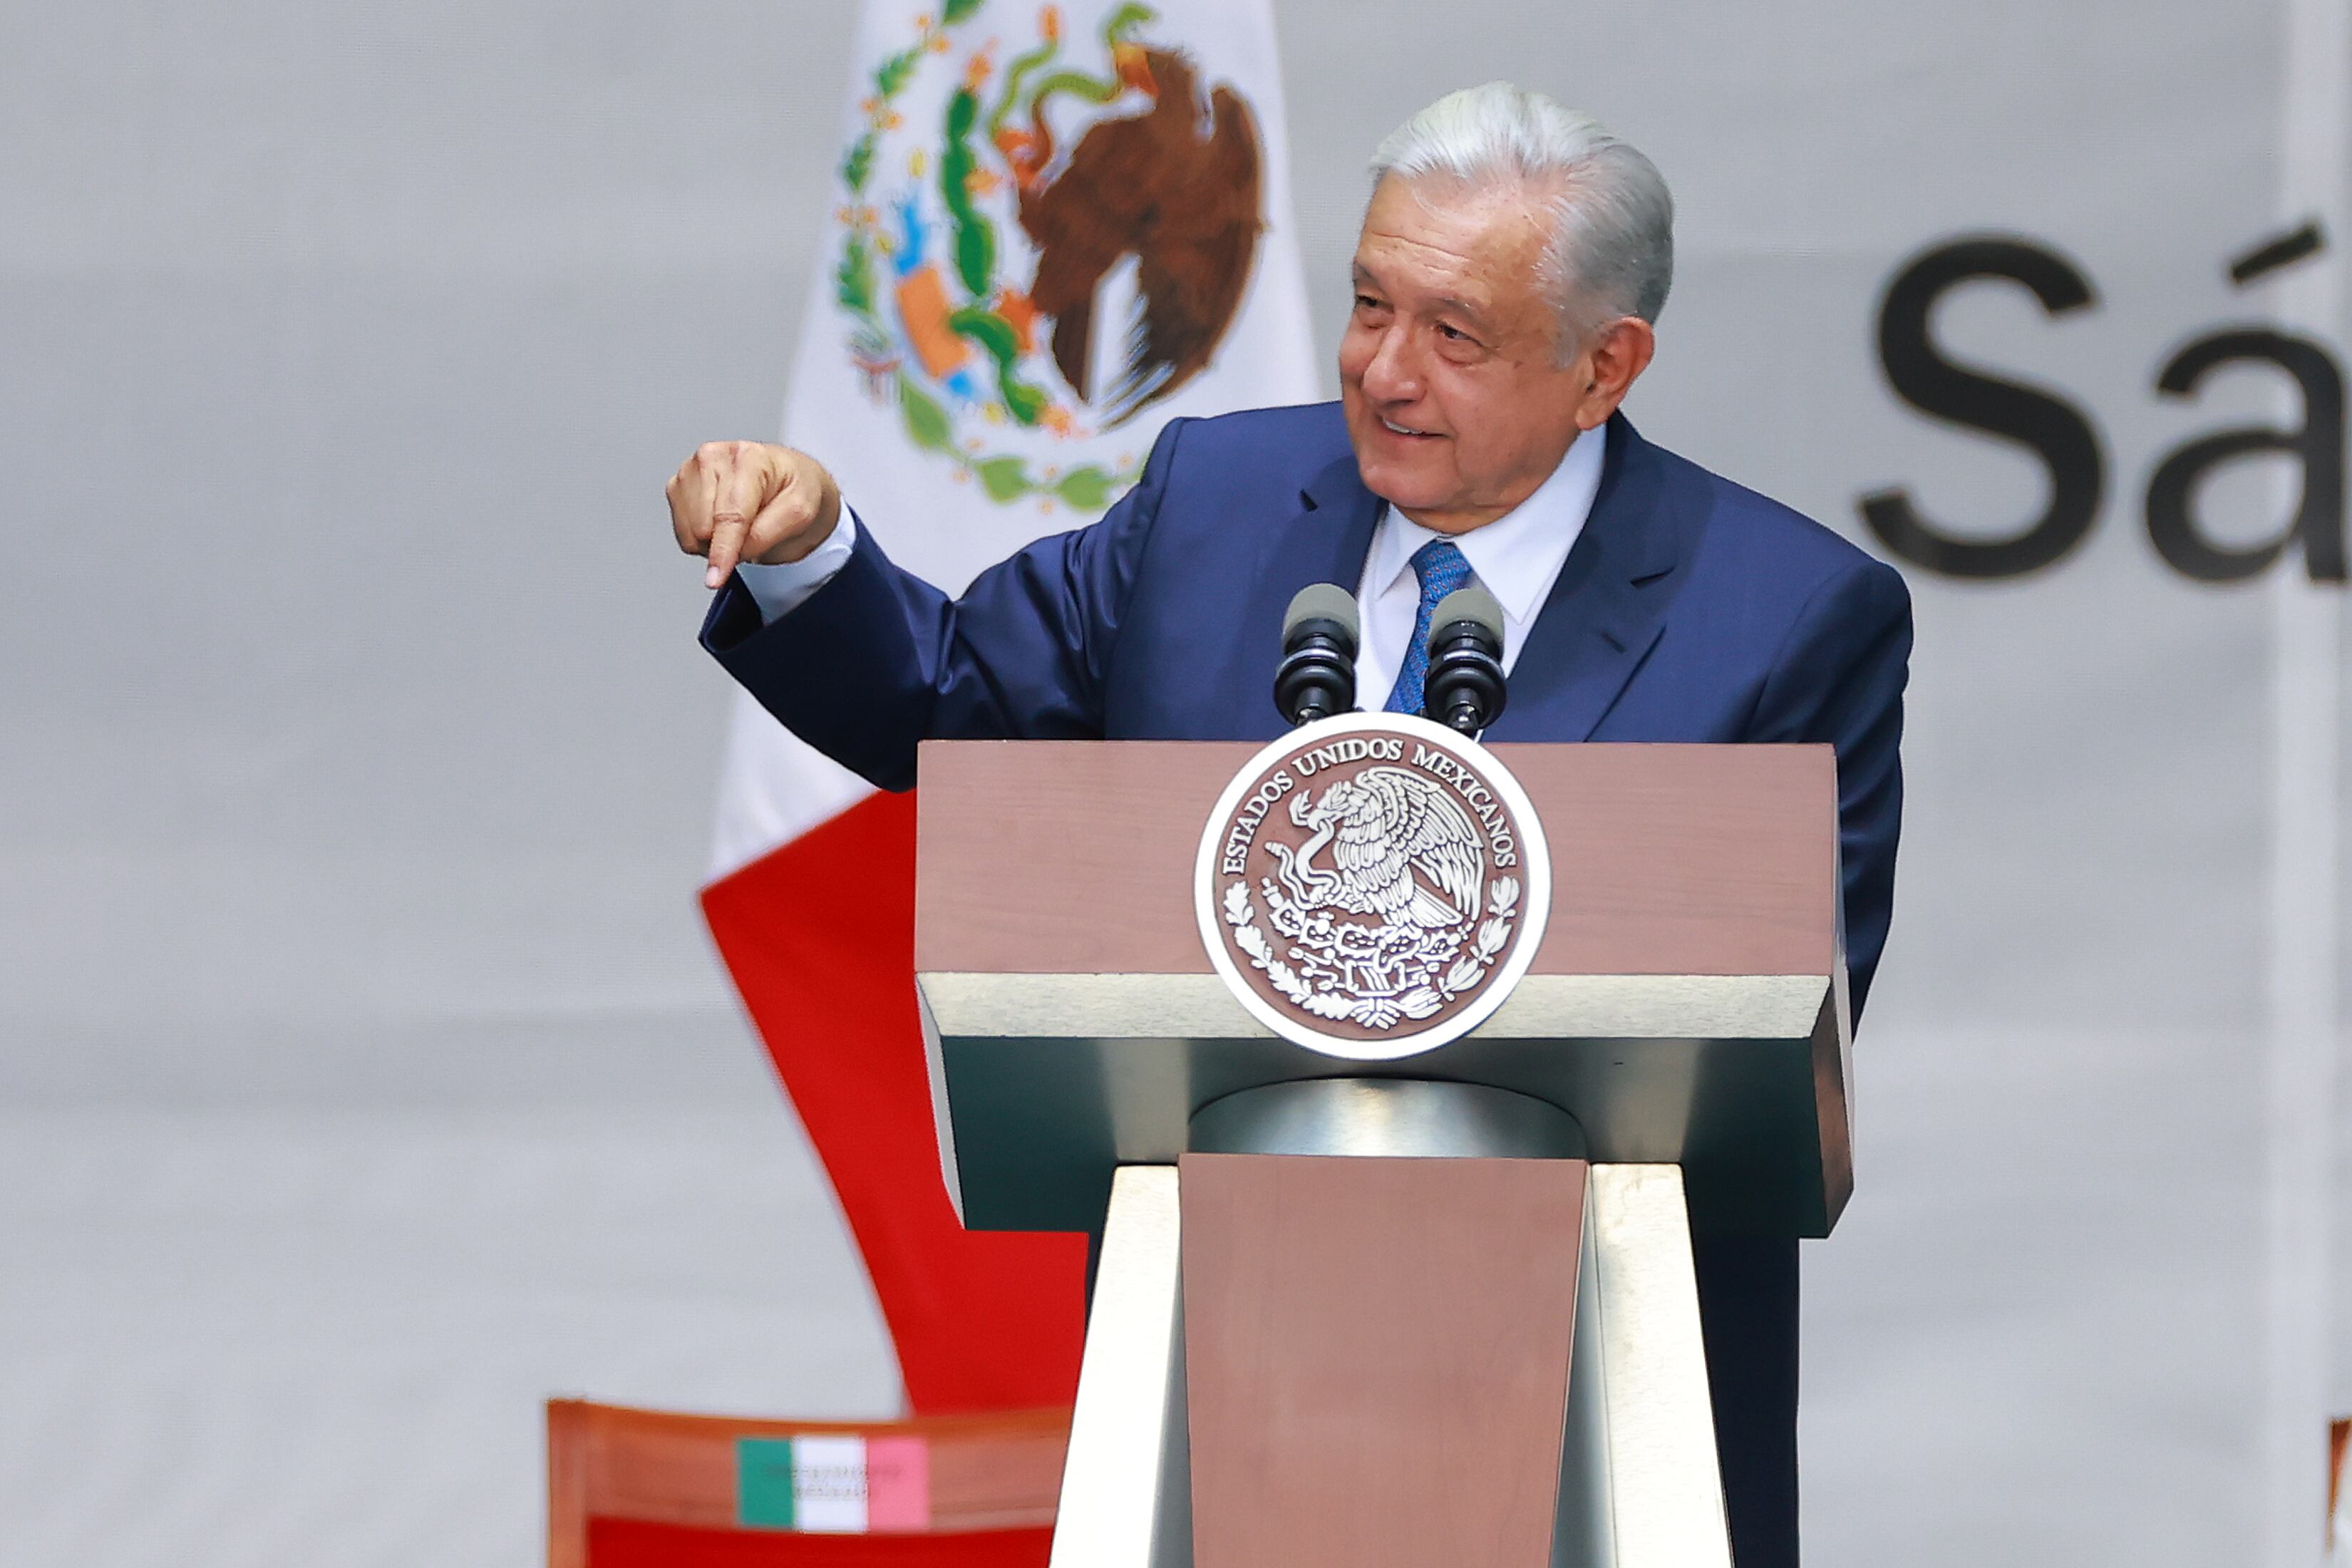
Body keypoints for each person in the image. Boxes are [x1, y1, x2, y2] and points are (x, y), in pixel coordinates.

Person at [668, 82, 1909, 1568]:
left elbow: (1780, 1015)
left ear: (1605, 367)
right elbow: (953, 698)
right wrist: (814, 555)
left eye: (1455, 334)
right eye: (1370, 304)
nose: (1386, 372)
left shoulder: (1783, 613)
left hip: (1589, 1421)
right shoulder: (1219, 500)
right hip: (1218, 1388)